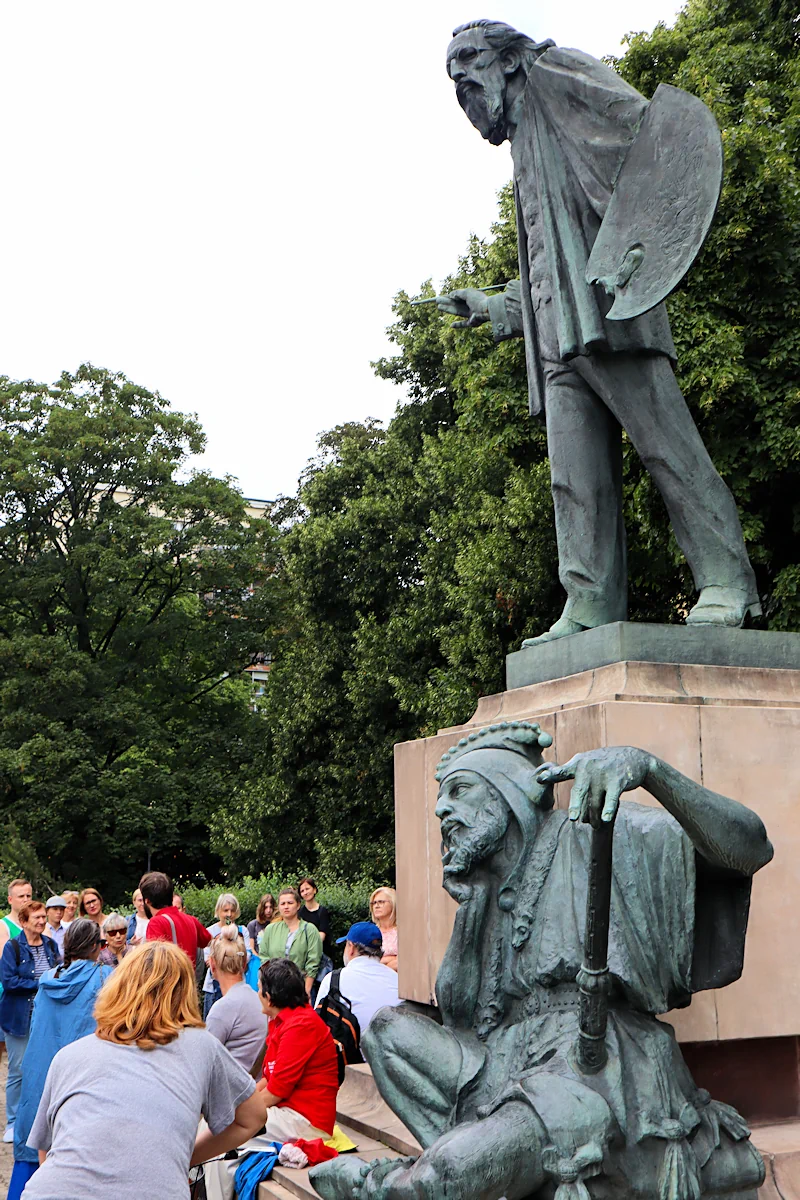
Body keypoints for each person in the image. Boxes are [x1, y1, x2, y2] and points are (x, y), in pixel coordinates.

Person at [310, 723, 772, 1200]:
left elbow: (750, 848)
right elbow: (459, 1017)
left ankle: (399, 1183)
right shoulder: (487, 886)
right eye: (441, 800)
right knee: (386, 1031)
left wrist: (650, 769)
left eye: (460, 790)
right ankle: (475, 1162)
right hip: (501, 1063)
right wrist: (470, 912)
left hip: (588, 1066)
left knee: (441, 1178)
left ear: (507, 794)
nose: (442, 809)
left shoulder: (589, 835)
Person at [435, 20, 759, 644]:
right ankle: (588, 603)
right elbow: (548, 249)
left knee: (668, 448)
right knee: (574, 480)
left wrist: (643, 244)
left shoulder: (557, 75)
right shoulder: (523, 139)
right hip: (556, 332)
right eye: (452, 73)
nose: (460, 79)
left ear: (507, 61)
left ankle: (727, 582)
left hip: (609, 310)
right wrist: (497, 306)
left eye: (469, 59)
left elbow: (655, 139)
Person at [22, 941, 265, 1200]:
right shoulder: (202, 1046)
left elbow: (47, 1153)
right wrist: (181, 1158)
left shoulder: (69, 1055)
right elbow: (253, 1117)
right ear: (184, 992)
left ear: (118, 986)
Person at [203, 957, 338, 1200]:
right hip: (287, 1113)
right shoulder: (284, 1021)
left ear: (270, 996)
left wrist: (234, 1110)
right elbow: (268, 1079)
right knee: (216, 1128)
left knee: (217, 1132)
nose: (257, 992)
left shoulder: (301, 1026)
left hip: (304, 1122)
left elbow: (276, 1092)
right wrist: (235, 1103)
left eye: (259, 987)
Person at [7, 919, 113, 1200]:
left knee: (34, 1147)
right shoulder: (107, 978)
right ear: (95, 947)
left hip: (41, 1071)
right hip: (85, 1074)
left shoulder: (48, 979)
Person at [0, 902, 59, 1144]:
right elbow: (9, 981)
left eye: (43, 917)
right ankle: (13, 1121)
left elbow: (59, 973)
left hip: (45, 1016)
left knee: (45, 1067)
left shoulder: (50, 946)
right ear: (23, 922)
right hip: (18, 1016)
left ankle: (39, 1118)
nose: (41, 921)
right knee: (18, 1069)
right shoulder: (12, 948)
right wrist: (41, 983)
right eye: (36, 918)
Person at [315, 921, 400, 1035]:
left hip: (351, 1051)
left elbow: (317, 1025)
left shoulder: (334, 979)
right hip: (392, 1049)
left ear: (351, 948)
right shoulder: (396, 979)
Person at [205, 924, 267, 1071]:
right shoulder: (260, 1001)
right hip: (257, 1085)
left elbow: (206, 1063)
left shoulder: (222, 1009)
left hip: (231, 1090)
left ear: (212, 964)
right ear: (244, 963)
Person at [0, 880, 32, 1099]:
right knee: (11, 1055)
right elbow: (5, 962)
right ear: (10, 899)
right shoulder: (4, 926)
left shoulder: (38, 922)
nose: (26, 900)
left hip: (31, 996)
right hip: (9, 995)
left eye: (29, 896)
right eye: (21, 896)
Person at [258, 888, 321, 997]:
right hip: (274, 988)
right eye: (282, 904)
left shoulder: (310, 930)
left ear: (298, 905)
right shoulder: (270, 929)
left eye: (290, 903)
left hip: (300, 987)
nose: (286, 906)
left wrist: (306, 991)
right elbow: (264, 957)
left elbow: (313, 961)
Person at [141, 870, 211, 961]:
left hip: (170, 974)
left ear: (147, 901)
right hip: (190, 974)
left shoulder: (156, 923)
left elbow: (154, 960)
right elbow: (208, 940)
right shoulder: (191, 920)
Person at [201, 893, 252, 1018]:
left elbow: (247, 954)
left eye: (232, 910)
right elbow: (207, 959)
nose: (229, 914)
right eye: (225, 910)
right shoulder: (210, 931)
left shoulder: (242, 931)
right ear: (218, 911)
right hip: (213, 987)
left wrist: (223, 958)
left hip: (237, 984)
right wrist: (234, 957)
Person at [369, 886, 398, 971]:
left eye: (381, 902)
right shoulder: (371, 932)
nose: (376, 906)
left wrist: (382, 967)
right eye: (374, 903)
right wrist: (391, 959)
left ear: (393, 903)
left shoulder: (402, 931)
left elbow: (405, 959)